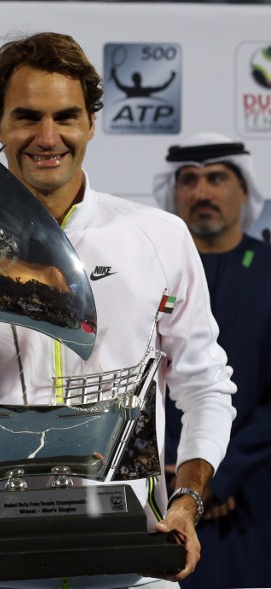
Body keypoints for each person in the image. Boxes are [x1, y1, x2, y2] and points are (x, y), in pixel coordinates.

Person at [0, 32, 236, 589]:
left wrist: (186, 501)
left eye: (67, 117)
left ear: (92, 122)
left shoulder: (158, 237)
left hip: (132, 562)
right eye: (27, 117)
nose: (48, 138)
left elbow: (205, 385)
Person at [153, 132, 271, 589]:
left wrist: (216, 478)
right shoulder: (151, 278)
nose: (201, 193)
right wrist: (172, 472)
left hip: (250, 499)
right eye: (189, 180)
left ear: (244, 190)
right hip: (158, 495)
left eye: (217, 178)